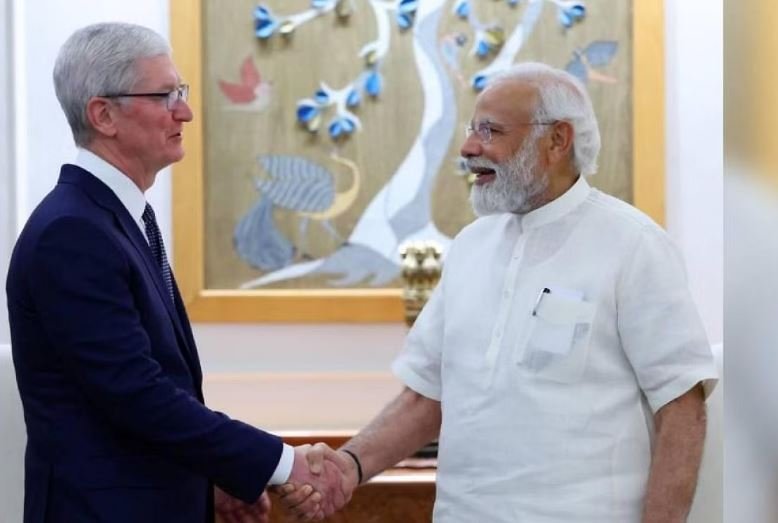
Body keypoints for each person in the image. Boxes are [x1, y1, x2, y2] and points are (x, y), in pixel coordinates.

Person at [279, 62, 719, 522]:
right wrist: (349, 466)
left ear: (557, 140)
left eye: (490, 131)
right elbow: (426, 397)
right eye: (472, 130)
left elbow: (682, 408)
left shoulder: (633, 244)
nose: (469, 148)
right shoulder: (471, 246)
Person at [5, 22, 350, 523]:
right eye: (165, 96)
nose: (184, 111)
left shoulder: (116, 219)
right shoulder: (72, 233)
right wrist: (282, 464)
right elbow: (136, 393)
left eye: (180, 93)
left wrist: (209, 479)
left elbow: (155, 394)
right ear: (103, 115)